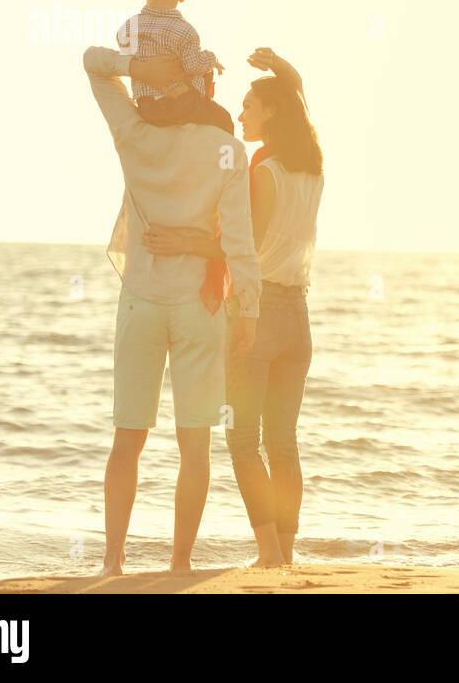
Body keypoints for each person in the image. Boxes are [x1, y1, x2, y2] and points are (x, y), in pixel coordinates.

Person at [83, 44, 262, 576]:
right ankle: (179, 563)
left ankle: (112, 563)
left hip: (140, 300)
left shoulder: (134, 135)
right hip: (199, 307)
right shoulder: (229, 149)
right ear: (208, 88)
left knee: (127, 439)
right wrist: (247, 310)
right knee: (195, 444)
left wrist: (139, 68)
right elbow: (240, 242)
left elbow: (94, 66)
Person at [142, 47, 324, 566]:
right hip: (298, 316)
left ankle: (269, 552)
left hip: (260, 309)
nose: (240, 114)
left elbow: (241, 247)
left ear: (270, 112)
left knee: (244, 440)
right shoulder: (310, 165)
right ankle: (285, 552)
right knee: (283, 441)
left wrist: (181, 240)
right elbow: (301, 104)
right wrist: (284, 68)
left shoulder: (264, 172)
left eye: (249, 105)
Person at [115, 0, 234, 134]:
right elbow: (192, 66)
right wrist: (211, 58)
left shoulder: (128, 28)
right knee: (224, 121)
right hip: (179, 104)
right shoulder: (185, 32)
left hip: (147, 108)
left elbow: (127, 54)